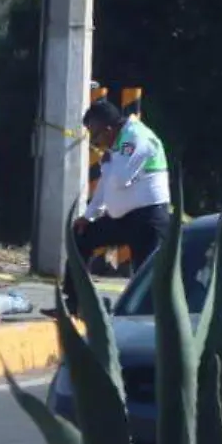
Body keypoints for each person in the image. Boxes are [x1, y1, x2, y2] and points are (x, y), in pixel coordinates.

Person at [68, 96, 173, 310]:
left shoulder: (135, 137)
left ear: (108, 129)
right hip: (123, 219)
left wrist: (108, 165)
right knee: (81, 236)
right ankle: (74, 302)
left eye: (96, 136)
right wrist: (88, 216)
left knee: (146, 276)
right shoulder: (117, 145)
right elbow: (106, 185)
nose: (96, 143)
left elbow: (119, 178)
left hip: (148, 220)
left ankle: (147, 318)